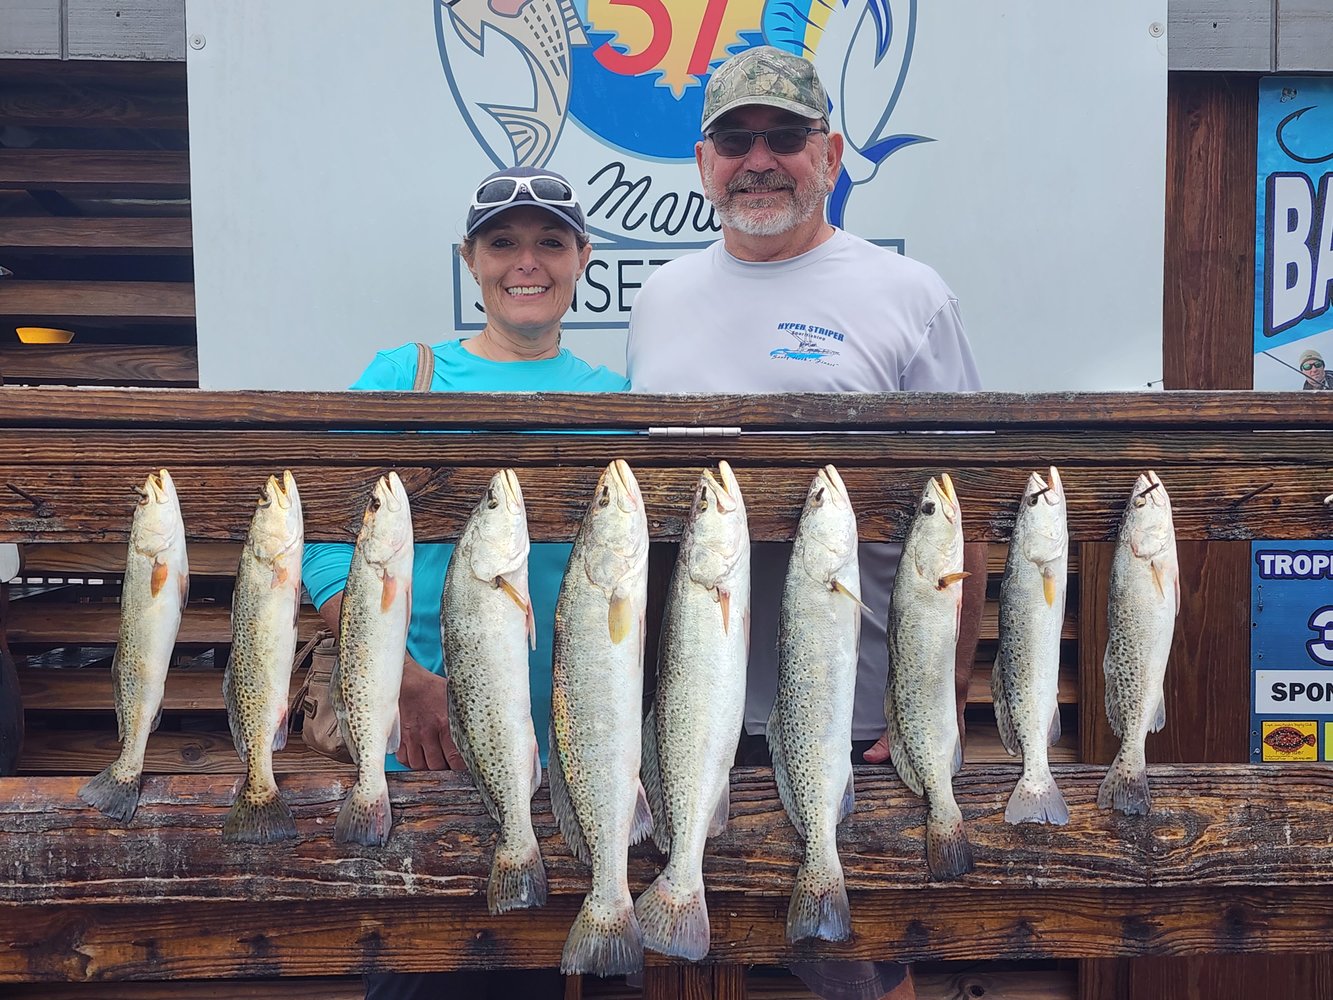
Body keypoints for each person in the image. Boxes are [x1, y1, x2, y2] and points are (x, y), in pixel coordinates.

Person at [626, 46, 986, 1000]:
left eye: (784, 138)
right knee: (692, 946)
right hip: (695, 706)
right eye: (735, 139)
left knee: (856, 964)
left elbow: (966, 515)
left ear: (829, 154)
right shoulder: (660, 298)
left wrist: (939, 695)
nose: (759, 159)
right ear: (703, 162)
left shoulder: (909, 295)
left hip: (857, 709)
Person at [303, 166, 626, 1000]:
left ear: (582, 256)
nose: (528, 261)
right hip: (427, 750)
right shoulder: (402, 375)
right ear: (469, 259)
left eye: (549, 241)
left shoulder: (615, 399)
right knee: (426, 975)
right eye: (503, 243)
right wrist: (404, 683)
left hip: (574, 762)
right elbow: (328, 549)